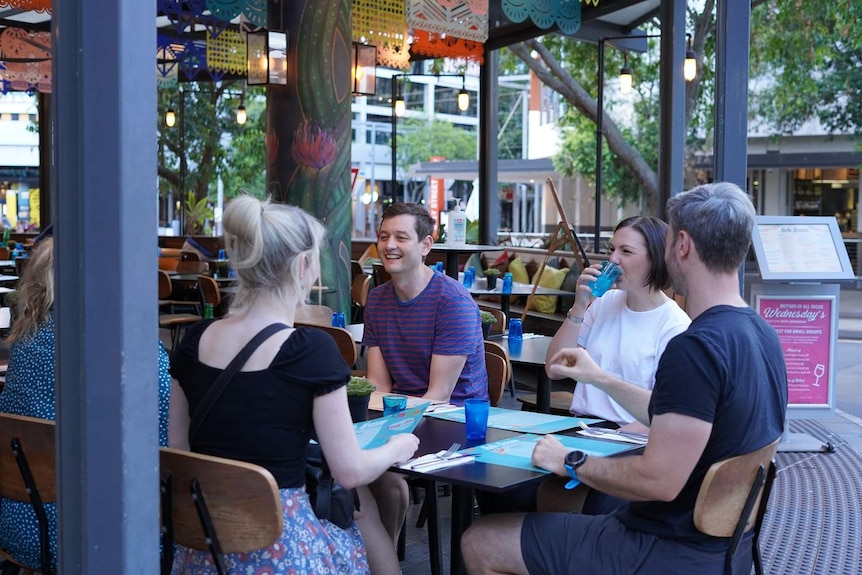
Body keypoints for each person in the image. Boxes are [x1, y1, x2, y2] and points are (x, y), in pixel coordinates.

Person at [461, 182, 788, 575]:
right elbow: (675, 415)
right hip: (725, 549)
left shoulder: (694, 346)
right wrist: (600, 378)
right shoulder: (761, 333)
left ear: (681, 245)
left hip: (659, 546)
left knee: (479, 539)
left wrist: (570, 460)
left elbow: (658, 480)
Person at [168, 196, 419, 574]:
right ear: (303, 266)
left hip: (204, 550)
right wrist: (398, 447)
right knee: (358, 530)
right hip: (281, 551)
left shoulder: (193, 342)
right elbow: (349, 471)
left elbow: (179, 453)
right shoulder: (310, 352)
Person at [0, 237, 172, 571]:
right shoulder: (125, 344)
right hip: (93, 534)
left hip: (20, 523)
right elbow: (164, 432)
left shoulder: (25, 342)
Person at [362, 202, 488, 551]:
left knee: (374, 472)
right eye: (384, 236)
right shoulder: (376, 299)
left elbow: (438, 396)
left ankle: (380, 558)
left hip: (453, 423)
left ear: (426, 245)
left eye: (401, 237)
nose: (389, 245)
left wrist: (382, 437)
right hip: (402, 414)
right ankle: (369, 555)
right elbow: (378, 386)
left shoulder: (452, 302)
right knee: (339, 460)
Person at [546, 216, 691, 430]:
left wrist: (603, 445)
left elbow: (668, 416)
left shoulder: (675, 327)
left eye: (626, 251)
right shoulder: (604, 302)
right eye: (612, 249)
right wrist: (579, 307)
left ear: (657, 260)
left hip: (628, 438)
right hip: (583, 426)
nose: (613, 259)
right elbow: (554, 369)